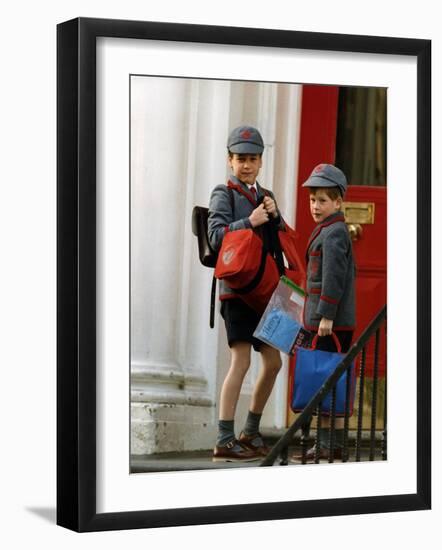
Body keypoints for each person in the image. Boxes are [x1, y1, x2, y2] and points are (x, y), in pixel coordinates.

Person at [208, 125, 284, 462]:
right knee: (241, 360)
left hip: (267, 291)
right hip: (237, 291)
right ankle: (225, 438)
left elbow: (278, 243)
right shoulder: (222, 193)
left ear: (261, 162)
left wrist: (276, 218)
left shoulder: (266, 195)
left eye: (253, 159)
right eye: (241, 159)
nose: (247, 165)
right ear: (229, 160)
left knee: (273, 361)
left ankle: (250, 432)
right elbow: (215, 236)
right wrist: (250, 221)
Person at [292, 163, 356, 462]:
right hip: (325, 320)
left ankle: (328, 446)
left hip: (330, 323)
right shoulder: (328, 230)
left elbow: (333, 277)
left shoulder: (334, 233)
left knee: (328, 382)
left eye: (322, 201)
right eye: (312, 200)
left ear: (338, 202)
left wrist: (326, 315)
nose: (315, 206)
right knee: (331, 381)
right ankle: (333, 445)